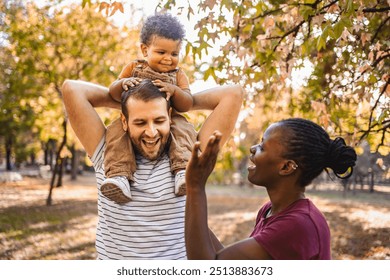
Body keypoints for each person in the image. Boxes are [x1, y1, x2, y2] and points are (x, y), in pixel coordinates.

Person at [61, 78, 243, 259]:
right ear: (124, 121)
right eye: (140, 122)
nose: (151, 132)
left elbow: (233, 94)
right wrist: (128, 101)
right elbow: (72, 89)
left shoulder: (190, 155)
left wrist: (178, 101)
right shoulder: (107, 153)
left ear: (170, 117)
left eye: (159, 120)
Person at [185, 118, 357, 260]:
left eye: (262, 147)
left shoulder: (298, 225)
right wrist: (183, 209)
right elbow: (225, 260)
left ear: (286, 167)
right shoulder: (269, 210)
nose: (252, 149)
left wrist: (195, 186)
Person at [102, 13, 194, 204]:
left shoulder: (178, 76)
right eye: (161, 52)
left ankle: (182, 172)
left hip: (167, 120)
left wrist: (175, 91)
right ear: (145, 50)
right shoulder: (134, 67)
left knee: (184, 130)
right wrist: (123, 83)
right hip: (137, 120)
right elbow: (112, 92)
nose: (168, 59)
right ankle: (119, 176)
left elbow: (187, 104)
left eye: (174, 54)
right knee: (116, 131)